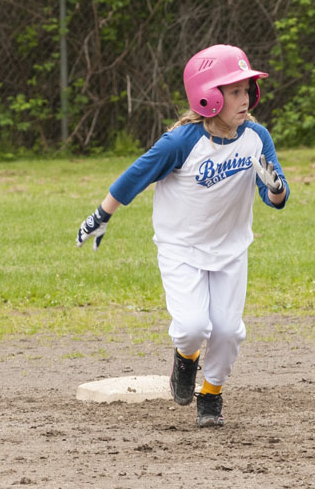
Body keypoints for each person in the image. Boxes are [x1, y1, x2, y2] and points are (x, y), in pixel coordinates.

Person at [75, 44, 288, 427]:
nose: (245, 99)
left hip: (230, 250)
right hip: (182, 249)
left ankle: (211, 394)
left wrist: (275, 187)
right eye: (234, 91)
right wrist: (100, 216)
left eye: (246, 90)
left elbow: (276, 198)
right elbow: (135, 177)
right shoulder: (182, 142)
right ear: (208, 96)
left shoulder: (256, 138)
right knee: (192, 328)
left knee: (227, 331)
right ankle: (185, 359)